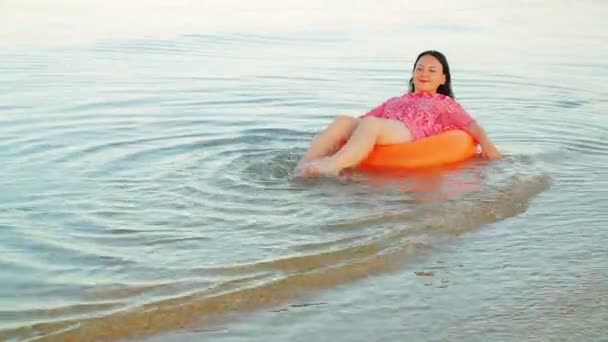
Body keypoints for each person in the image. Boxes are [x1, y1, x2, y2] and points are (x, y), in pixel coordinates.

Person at [295, 50, 502, 177]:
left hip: (408, 133)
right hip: (384, 130)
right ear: (412, 74)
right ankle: (306, 163)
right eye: (419, 69)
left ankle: (334, 165)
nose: (424, 74)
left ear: (443, 79)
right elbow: (361, 121)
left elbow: (471, 126)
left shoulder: (445, 103)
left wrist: (488, 147)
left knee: (372, 123)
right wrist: (338, 137)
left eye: (432, 70)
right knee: (343, 120)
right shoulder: (396, 100)